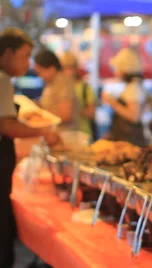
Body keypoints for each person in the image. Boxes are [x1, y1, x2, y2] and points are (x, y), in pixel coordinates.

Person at [0, 28, 60, 268]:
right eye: (25, 56)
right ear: (7, 53)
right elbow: (6, 125)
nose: (28, 63)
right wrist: (43, 130)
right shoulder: (2, 79)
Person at [102, 48, 147, 147]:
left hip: (129, 140)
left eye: (118, 68)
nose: (116, 72)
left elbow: (134, 116)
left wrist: (112, 102)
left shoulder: (134, 88)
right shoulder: (133, 86)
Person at [34, 49, 79, 131]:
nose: (40, 76)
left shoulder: (63, 83)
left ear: (51, 68)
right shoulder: (51, 83)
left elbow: (66, 115)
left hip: (65, 136)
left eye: (40, 72)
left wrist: (39, 114)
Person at [61, 51, 97, 139]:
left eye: (71, 67)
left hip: (83, 134)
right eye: (65, 68)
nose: (68, 71)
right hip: (63, 134)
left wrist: (72, 110)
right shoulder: (59, 88)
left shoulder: (85, 87)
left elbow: (92, 113)